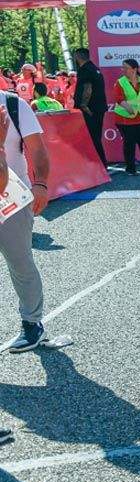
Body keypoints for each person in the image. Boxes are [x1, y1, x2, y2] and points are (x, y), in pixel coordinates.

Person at [0, 92, 51, 352]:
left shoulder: (13, 105)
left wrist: (41, 183)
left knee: (20, 261)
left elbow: (38, 150)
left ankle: (32, 323)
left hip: (12, 197)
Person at [112, 58, 140, 175]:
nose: (124, 70)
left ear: (134, 69)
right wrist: (128, 107)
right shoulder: (120, 82)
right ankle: (131, 169)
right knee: (129, 144)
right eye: (123, 68)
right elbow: (119, 98)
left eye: (126, 68)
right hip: (125, 118)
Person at [73, 48, 108, 168]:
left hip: (90, 109)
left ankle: (98, 164)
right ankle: (101, 163)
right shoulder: (95, 69)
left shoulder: (85, 70)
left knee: (92, 138)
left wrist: (83, 105)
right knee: (96, 137)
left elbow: (87, 88)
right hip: (99, 108)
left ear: (77, 57)